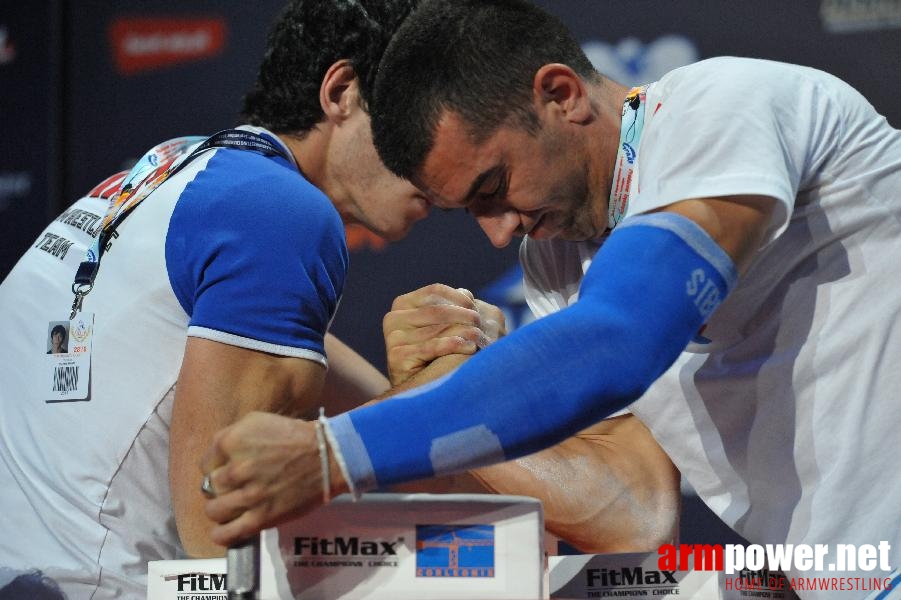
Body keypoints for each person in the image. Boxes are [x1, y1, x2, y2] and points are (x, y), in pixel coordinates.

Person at [201, 0, 901, 596]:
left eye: (492, 187)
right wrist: (448, 378)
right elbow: (633, 511)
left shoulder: (715, 110)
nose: (500, 231)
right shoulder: (557, 259)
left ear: (560, 94)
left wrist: (336, 452)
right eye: (468, 211)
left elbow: (616, 341)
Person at [0, 1, 677, 596]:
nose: (434, 163)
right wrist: (447, 383)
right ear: (342, 91)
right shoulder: (276, 211)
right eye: (411, 121)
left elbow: (400, 429)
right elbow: (218, 547)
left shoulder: (182, 172)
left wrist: (451, 381)